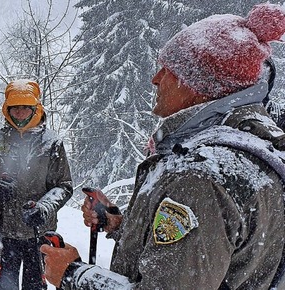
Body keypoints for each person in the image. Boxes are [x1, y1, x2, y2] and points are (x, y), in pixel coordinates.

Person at [40, 3, 285, 289]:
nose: (155, 79)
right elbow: (208, 250)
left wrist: (73, 274)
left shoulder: (201, 176)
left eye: (167, 70)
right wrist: (119, 224)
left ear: (196, 84)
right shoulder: (253, 152)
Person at [0, 79, 74, 290]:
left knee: (35, 286)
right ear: (7, 109)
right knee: (5, 286)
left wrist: (43, 208)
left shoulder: (52, 143)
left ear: (35, 109)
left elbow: (63, 186)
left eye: (25, 108)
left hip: (40, 232)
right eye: (14, 108)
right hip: (4, 232)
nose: (19, 113)